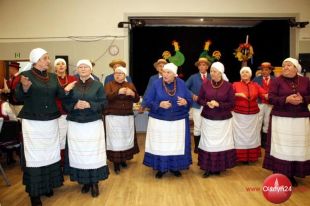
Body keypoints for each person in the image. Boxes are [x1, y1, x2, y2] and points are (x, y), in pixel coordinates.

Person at [15, 48, 75, 206]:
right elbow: (18, 97)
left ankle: (48, 185)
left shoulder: (53, 77)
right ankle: (35, 193)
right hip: (33, 122)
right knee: (36, 156)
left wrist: (67, 90)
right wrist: (25, 88)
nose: (49, 61)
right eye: (45, 58)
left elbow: (61, 96)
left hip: (50, 122)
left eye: (48, 58)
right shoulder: (25, 76)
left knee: (50, 153)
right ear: (36, 61)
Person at [63, 59, 109, 198]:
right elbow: (65, 103)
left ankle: (94, 182)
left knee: (93, 154)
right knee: (79, 154)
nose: (83, 69)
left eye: (85, 67)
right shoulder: (71, 85)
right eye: (80, 67)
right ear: (77, 70)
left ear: (91, 70)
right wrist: (74, 105)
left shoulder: (98, 85)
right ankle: (84, 182)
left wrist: (90, 105)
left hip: (93, 124)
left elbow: (104, 103)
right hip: (75, 124)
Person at [263, 57, 310, 187]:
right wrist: (286, 99)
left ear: (296, 68)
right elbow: (271, 98)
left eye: (289, 65)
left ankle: (294, 172)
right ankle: (283, 174)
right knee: (283, 147)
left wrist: (303, 99)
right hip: (281, 118)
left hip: (301, 119)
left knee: (296, 147)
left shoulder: (306, 81)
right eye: (284, 65)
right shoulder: (276, 81)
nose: (285, 67)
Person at [143, 63, 192, 178]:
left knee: (176, 146)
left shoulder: (181, 83)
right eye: (164, 72)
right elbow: (146, 100)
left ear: (174, 74)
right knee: (162, 146)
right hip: (159, 120)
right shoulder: (155, 84)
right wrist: (159, 104)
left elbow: (189, 99)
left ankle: (175, 167)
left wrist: (186, 102)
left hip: (178, 121)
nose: (165, 74)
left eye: (168, 72)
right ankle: (161, 168)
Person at [197, 62, 236, 177]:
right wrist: (207, 103)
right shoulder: (205, 84)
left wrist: (219, 104)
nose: (212, 73)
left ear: (220, 73)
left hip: (223, 120)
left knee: (221, 143)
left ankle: (219, 166)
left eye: (214, 71)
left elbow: (232, 104)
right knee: (208, 143)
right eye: (211, 71)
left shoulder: (228, 86)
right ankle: (208, 167)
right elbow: (199, 100)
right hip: (208, 119)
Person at [104, 66, 140, 174]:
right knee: (115, 141)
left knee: (125, 139)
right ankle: (116, 163)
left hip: (127, 116)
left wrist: (133, 94)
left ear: (125, 75)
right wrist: (118, 92)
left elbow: (137, 99)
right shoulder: (109, 85)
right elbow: (106, 97)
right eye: (116, 73)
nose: (118, 75)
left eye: (120, 73)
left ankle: (123, 159)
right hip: (113, 117)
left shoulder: (130, 85)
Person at [232, 66, 267, 164]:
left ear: (250, 75)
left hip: (252, 116)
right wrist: (237, 94)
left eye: (247, 72)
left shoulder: (255, 85)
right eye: (243, 72)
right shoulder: (235, 84)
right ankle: (238, 157)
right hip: (238, 116)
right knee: (239, 136)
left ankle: (250, 158)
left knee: (251, 136)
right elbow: (228, 94)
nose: (244, 74)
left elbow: (264, 94)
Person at [54, 58, 76, 166]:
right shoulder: (52, 79)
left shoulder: (72, 78)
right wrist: (65, 90)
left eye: (63, 63)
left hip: (71, 112)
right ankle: (62, 162)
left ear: (66, 66)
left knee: (72, 138)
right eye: (58, 64)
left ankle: (71, 162)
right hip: (59, 112)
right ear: (55, 67)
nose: (61, 65)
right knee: (61, 138)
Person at [186, 57, 211, 153]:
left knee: (208, 126)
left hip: (209, 105)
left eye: (204, 65)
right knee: (197, 126)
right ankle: (197, 147)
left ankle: (206, 145)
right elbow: (185, 87)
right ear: (198, 67)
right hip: (197, 105)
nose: (202, 66)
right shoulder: (193, 77)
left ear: (207, 67)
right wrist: (192, 95)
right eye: (200, 65)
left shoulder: (211, 76)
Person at [253, 62, 275, 148]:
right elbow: (253, 90)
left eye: (266, 70)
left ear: (270, 70)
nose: (264, 71)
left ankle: (265, 142)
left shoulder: (275, 79)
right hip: (260, 103)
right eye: (262, 70)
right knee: (258, 121)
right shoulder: (256, 79)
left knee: (267, 121)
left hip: (270, 104)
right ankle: (257, 141)